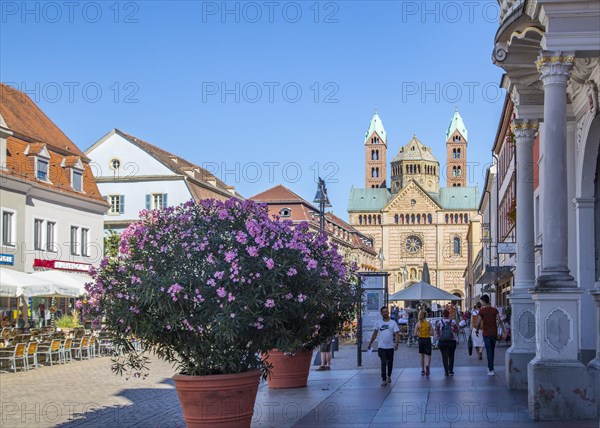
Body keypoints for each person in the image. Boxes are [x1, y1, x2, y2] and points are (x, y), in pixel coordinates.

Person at [367, 306, 400, 386]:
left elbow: (396, 334)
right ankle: (384, 379)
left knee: (390, 362)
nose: (385, 313)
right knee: (383, 362)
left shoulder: (393, 323)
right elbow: (375, 333)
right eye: (383, 312)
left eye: (386, 311)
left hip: (390, 346)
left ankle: (389, 375)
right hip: (381, 346)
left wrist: (396, 343)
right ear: (381, 313)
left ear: (388, 312)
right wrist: (370, 343)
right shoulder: (378, 323)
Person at [476, 295, 507, 376]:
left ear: (484, 301)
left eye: (482, 301)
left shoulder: (482, 311)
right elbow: (499, 321)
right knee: (492, 350)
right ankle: (490, 366)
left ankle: (491, 369)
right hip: (493, 333)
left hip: (486, 333)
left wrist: (476, 330)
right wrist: (504, 331)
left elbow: (479, 322)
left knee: (489, 351)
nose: (481, 303)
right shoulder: (495, 310)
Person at [435, 308, 459, 376]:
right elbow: (457, 329)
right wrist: (453, 331)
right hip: (451, 341)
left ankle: (446, 371)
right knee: (451, 356)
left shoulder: (439, 322)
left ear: (442, 314)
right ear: (448, 314)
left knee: (444, 356)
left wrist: (438, 336)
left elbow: (437, 332)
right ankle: (451, 370)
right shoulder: (453, 321)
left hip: (442, 341)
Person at [413, 310, 433, 377]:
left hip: (421, 339)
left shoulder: (418, 324)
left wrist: (419, 334)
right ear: (426, 316)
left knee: (421, 355)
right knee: (428, 355)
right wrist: (429, 333)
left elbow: (415, 334)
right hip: (427, 339)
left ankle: (422, 370)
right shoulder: (428, 323)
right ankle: (427, 365)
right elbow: (432, 333)